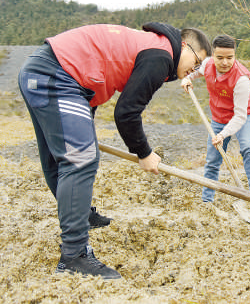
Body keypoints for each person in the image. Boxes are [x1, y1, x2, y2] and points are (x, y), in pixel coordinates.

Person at [18, 23, 211, 279]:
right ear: (184, 46)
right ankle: (74, 255)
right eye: (197, 61)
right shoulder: (161, 55)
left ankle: (80, 214)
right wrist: (144, 153)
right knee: (81, 161)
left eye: (199, 68)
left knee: (61, 158)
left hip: (44, 71)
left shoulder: (152, 45)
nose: (194, 69)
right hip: (57, 76)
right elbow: (127, 113)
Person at [180, 35, 250, 202]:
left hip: (242, 117)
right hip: (218, 117)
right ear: (213, 55)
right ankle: (207, 202)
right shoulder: (207, 64)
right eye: (220, 58)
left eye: (229, 57)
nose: (225, 62)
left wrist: (223, 134)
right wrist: (186, 79)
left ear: (235, 55)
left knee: (248, 148)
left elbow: (240, 116)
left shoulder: (241, 78)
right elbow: (192, 73)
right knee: (212, 160)